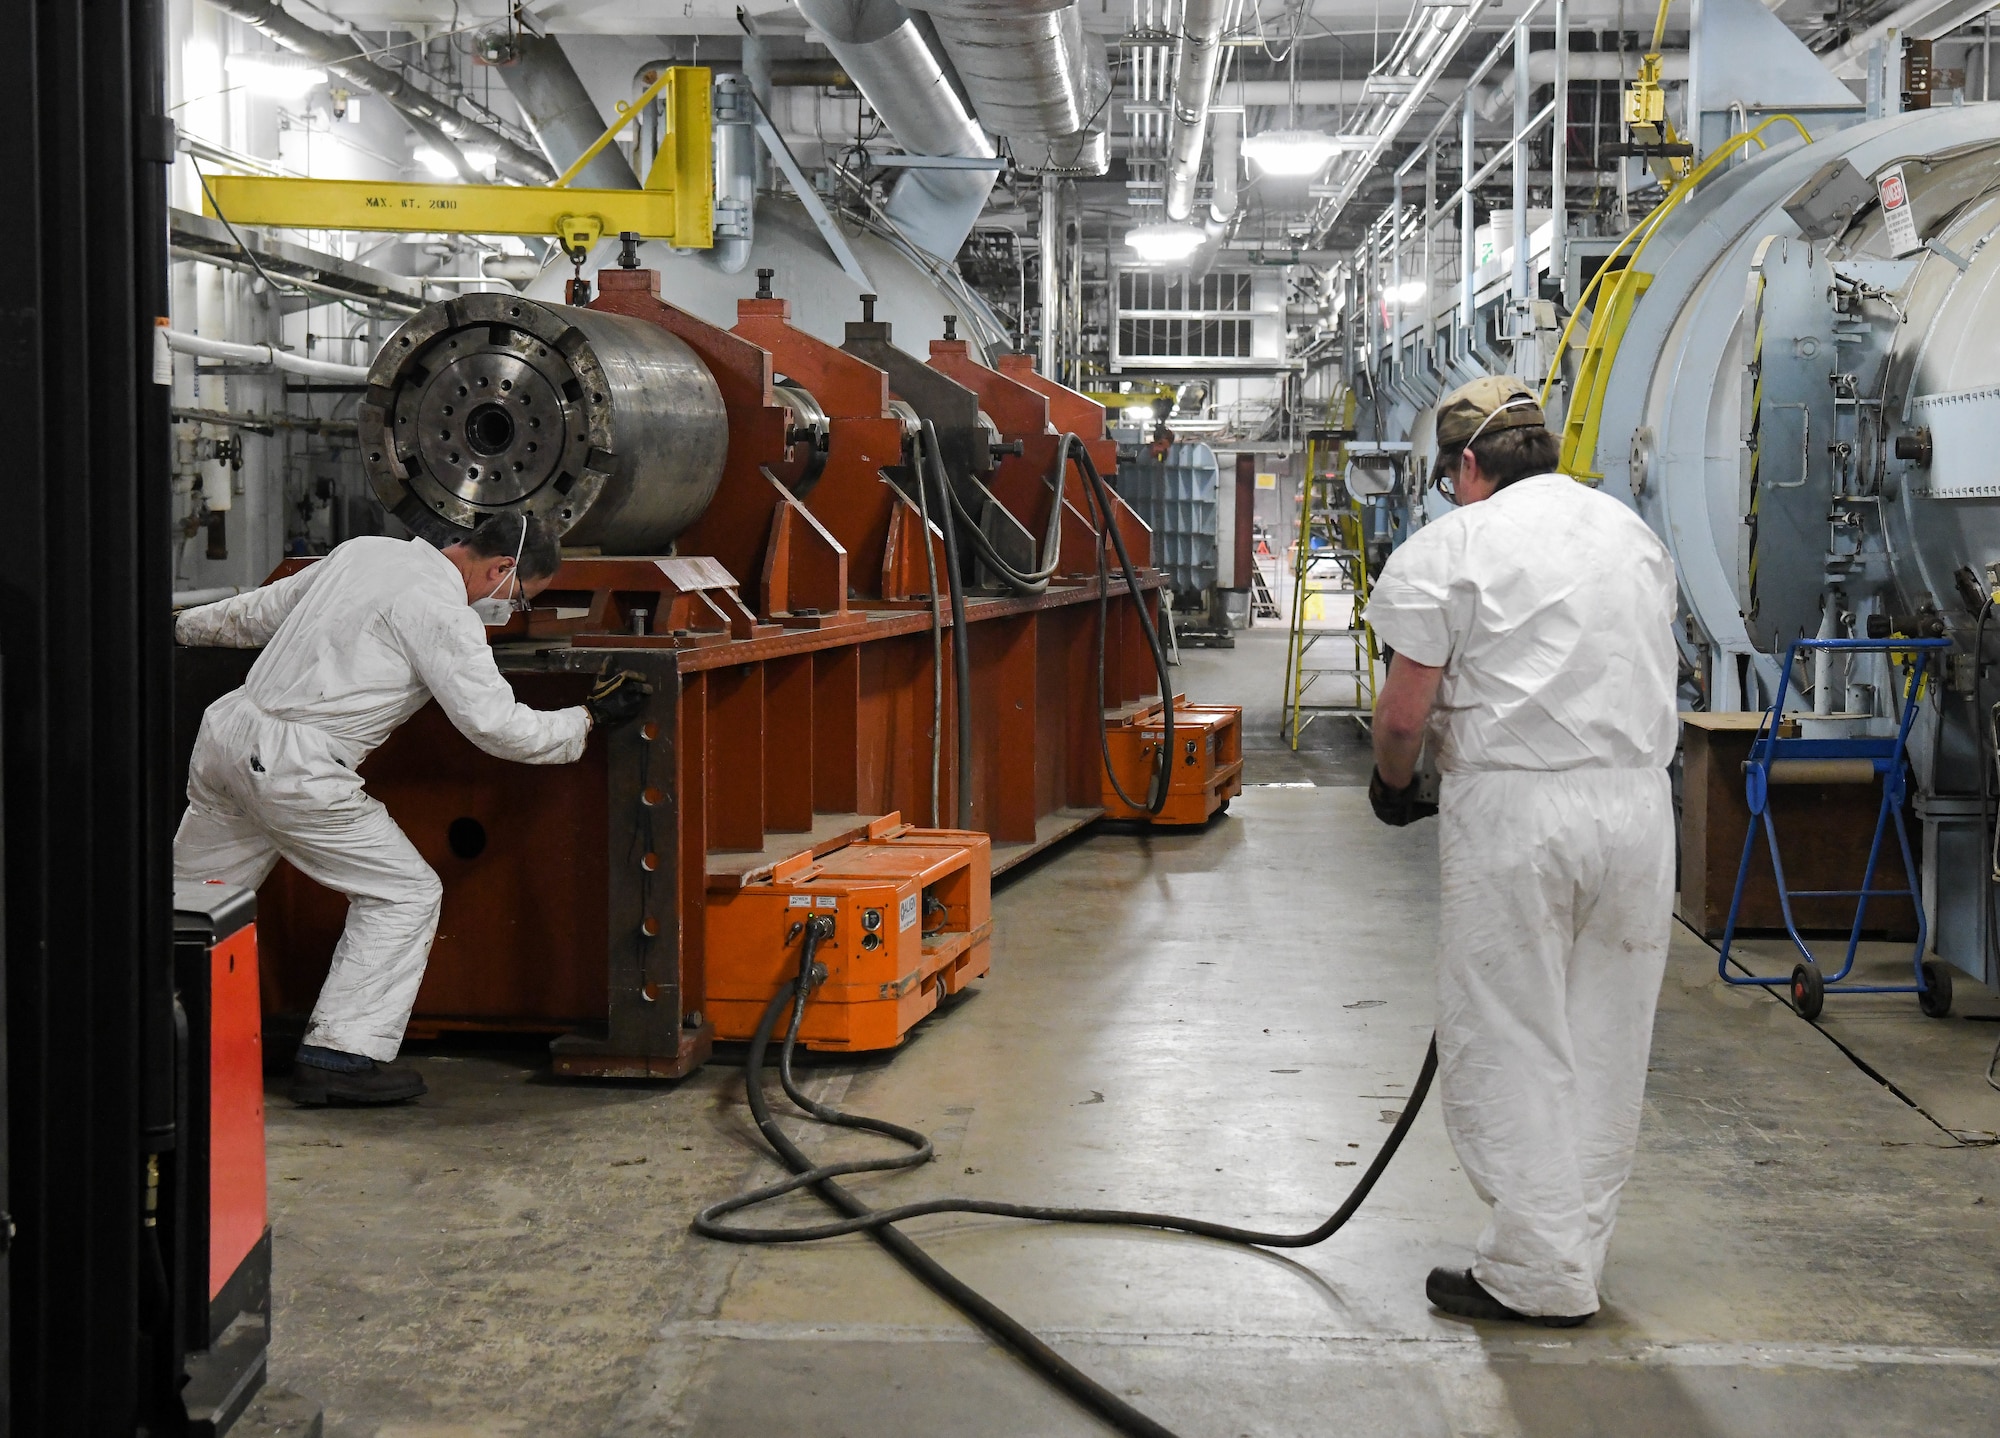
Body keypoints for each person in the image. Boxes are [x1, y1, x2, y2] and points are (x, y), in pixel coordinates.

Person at [1361, 376, 1679, 1327]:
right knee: (1605, 1035)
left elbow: (1401, 716)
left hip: (1516, 809)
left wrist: (1392, 786)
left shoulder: (1452, 546)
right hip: (1636, 805)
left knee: (1510, 1029)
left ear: (1467, 465)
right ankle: (1573, 1253)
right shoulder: (1630, 535)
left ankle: (1536, 1273)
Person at [174, 515, 650, 1106]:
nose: (510, 607)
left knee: (196, 898)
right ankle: (340, 1058)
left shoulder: (365, 551)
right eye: (520, 595)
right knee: (404, 894)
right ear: (502, 569)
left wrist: (176, 627)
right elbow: (497, 727)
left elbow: (258, 613)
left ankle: (157, 1039)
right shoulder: (444, 612)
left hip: (227, 735)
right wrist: (588, 720)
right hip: (297, 768)